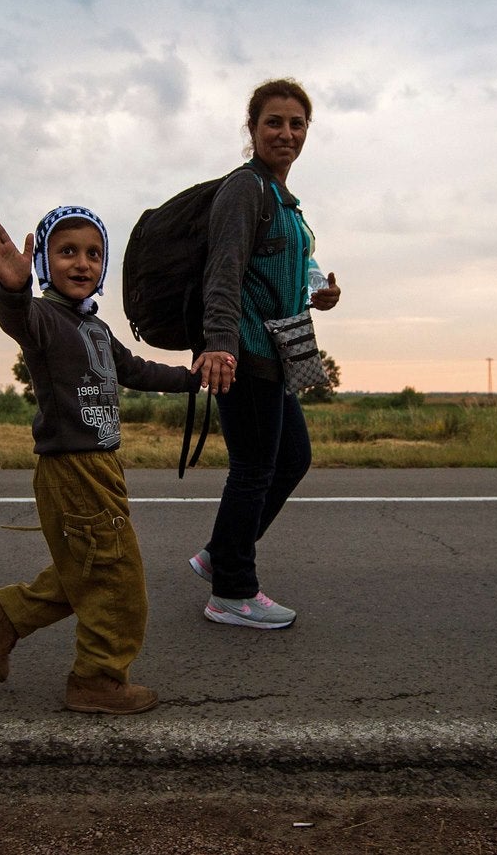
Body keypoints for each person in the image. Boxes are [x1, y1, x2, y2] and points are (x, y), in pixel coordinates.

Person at [0, 207, 209, 714]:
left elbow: (138, 370)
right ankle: (97, 679)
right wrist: (13, 289)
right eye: (66, 252)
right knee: (118, 580)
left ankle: (8, 614)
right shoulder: (44, 319)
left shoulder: (95, 327)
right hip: (73, 467)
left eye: (93, 253)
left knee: (88, 566)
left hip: (101, 465)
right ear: (44, 262)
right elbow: (17, 316)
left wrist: (194, 377)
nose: (82, 263)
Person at [189, 79, 342, 630]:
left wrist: (319, 291)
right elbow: (223, 271)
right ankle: (232, 590)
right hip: (246, 354)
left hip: (277, 355)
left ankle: (220, 552)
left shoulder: (286, 203)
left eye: (296, 123)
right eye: (273, 122)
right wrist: (219, 346)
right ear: (252, 130)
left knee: (292, 458)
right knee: (254, 469)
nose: (286, 132)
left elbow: (287, 269)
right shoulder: (244, 189)